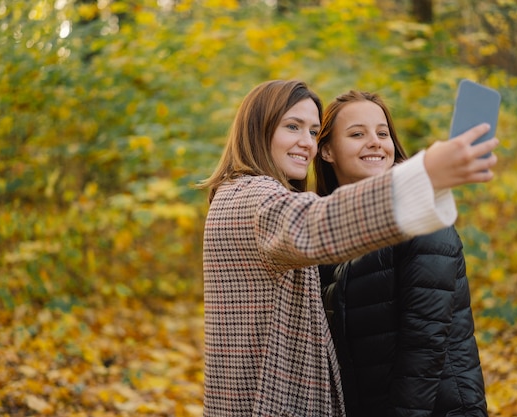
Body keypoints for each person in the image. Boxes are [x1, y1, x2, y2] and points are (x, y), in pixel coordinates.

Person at [199, 79, 498, 417]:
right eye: (292, 127)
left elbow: (425, 347)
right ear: (257, 130)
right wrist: (426, 174)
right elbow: (314, 224)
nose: (305, 142)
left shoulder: (236, 195)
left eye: (313, 131)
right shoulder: (253, 198)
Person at [315, 90, 489, 416]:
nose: (375, 142)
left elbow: (424, 345)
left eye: (383, 133)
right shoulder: (325, 233)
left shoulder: (422, 216)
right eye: (357, 134)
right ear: (326, 151)